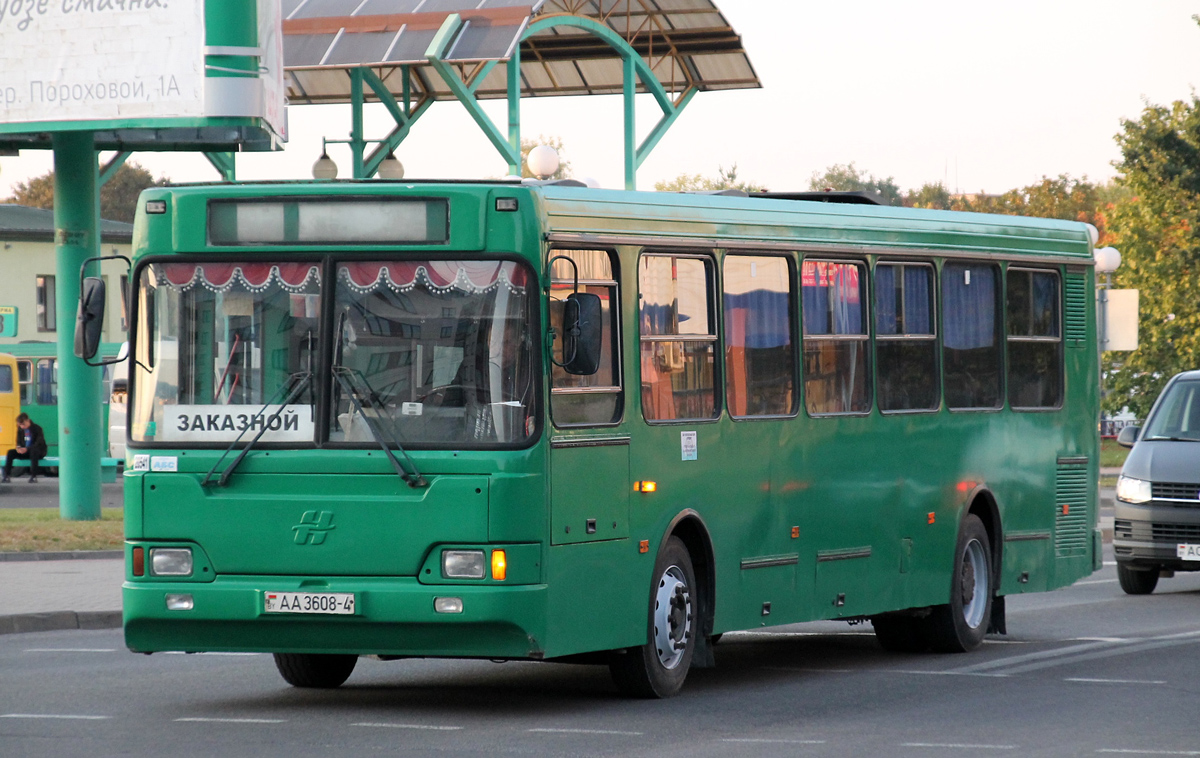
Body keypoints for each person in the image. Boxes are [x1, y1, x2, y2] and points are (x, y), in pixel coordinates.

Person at [3, 413, 47, 483]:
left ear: (28, 421)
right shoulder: (20, 430)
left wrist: (27, 449)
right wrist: (19, 448)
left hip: (37, 452)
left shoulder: (37, 428)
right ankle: (6, 476)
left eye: (23, 424)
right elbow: (18, 441)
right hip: (25, 451)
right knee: (10, 452)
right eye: (20, 425)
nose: (22, 426)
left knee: (34, 451)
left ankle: (33, 476)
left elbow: (39, 443)